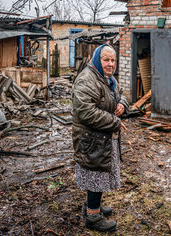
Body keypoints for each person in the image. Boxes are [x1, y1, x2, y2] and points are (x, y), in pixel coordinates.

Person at [72, 44, 128, 232]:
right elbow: (85, 112)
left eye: (113, 60)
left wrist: (122, 104)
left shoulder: (108, 78)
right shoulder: (87, 79)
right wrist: (115, 122)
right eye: (106, 59)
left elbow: (120, 95)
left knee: (100, 175)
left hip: (102, 139)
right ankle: (93, 217)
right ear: (97, 59)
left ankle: (92, 206)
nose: (110, 64)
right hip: (91, 140)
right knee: (95, 176)